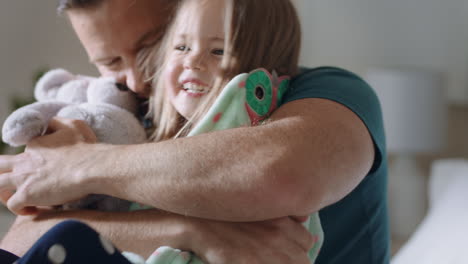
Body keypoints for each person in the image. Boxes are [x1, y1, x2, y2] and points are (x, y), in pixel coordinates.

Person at [0, 0, 390, 263]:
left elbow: (282, 174)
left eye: (153, 44)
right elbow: (20, 240)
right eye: (110, 61)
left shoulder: (330, 92)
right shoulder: (114, 117)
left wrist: (81, 165)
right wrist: (189, 231)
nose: (135, 81)